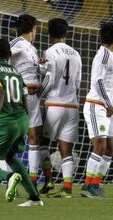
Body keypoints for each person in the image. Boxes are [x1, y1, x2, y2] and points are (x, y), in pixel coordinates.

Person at [0, 38, 43, 207]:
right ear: (9, 54)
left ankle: (9, 177)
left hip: (5, 123)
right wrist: (26, 122)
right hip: (22, 119)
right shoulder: (16, 72)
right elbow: (25, 98)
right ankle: (34, 198)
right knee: (10, 156)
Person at [6, 14, 53, 192]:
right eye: (35, 29)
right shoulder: (16, 43)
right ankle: (12, 179)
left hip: (33, 97)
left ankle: (32, 180)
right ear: (32, 29)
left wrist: (42, 66)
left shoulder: (31, 49)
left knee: (35, 138)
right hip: (19, 96)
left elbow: (36, 71)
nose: (36, 32)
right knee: (14, 140)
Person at [38, 18, 82, 198]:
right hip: (72, 104)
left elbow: (49, 79)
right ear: (66, 33)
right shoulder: (76, 54)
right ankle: (67, 188)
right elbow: (78, 82)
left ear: (49, 34)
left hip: (54, 103)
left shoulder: (49, 52)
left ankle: (48, 181)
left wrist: (38, 94)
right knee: (66, 148)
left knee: (42, 143)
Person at [82, 23, 113, 198]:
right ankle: (87, 186)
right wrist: (107, 104)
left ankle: (96, 184)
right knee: (100, 145)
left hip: (107, 107)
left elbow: (109, 81)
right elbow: (97, 82)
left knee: (109, 147)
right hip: (97, 105)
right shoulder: (104, 55)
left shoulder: (111, 56)